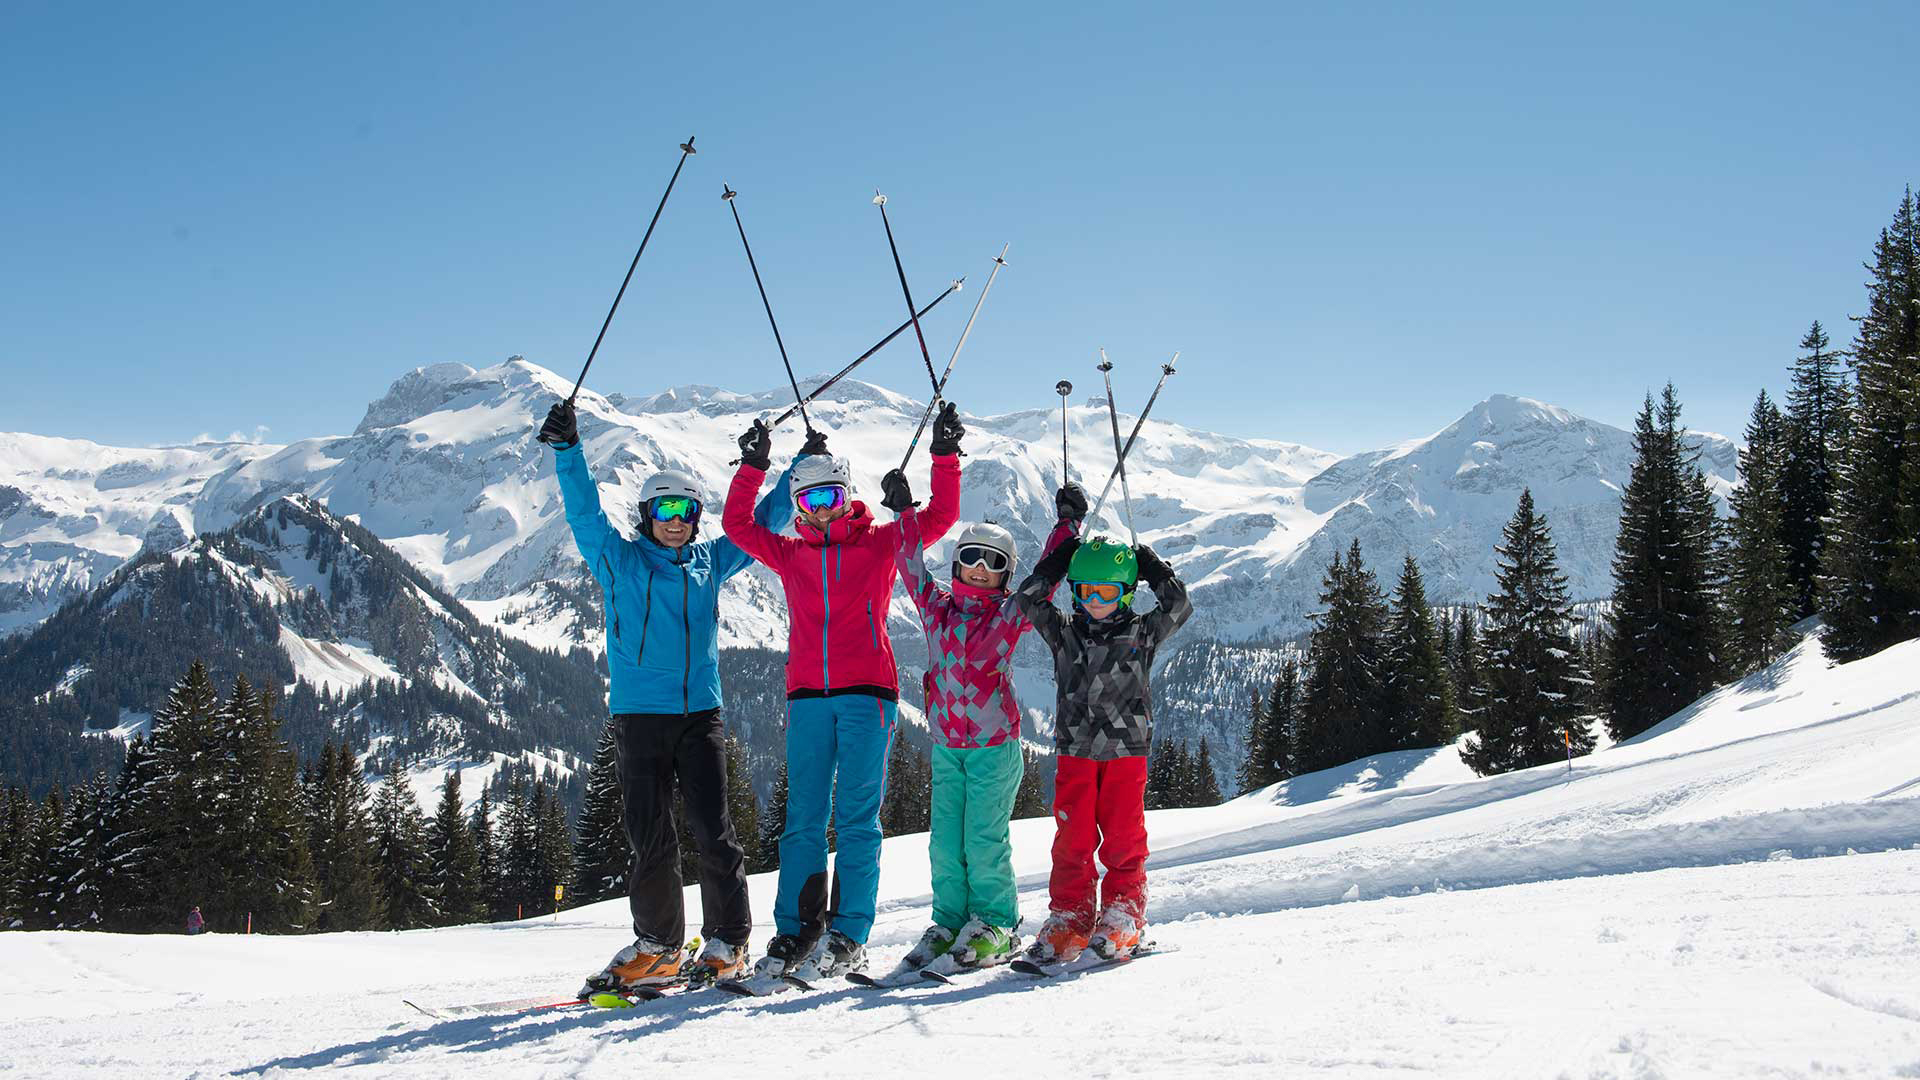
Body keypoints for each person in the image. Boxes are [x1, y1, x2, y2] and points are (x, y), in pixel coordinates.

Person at [537, 398, 801, 996]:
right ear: (647, 515)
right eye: (665, 509)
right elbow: (583, 514)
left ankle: (728, 942)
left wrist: (795, 471)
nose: (676, 519)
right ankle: (659, 944)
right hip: (639, 719)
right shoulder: (619, 561)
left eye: (686, 510)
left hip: (700, 717)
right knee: (650, 836)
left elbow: (763, 522)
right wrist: (568, 449)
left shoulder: (711, 561)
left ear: (697, 517)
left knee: (715, 829)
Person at [721, 404, 964, 983]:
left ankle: (850, 934)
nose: (819, 513)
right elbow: (738, 527)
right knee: (802, 819)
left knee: (857, 819)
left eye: (829, 499)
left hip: (868, 696)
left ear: (847, 496)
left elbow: (944, 515)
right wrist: (754, 468)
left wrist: (944, 456)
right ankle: (796, 930)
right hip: (807, 697)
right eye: (807, 503)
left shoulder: (881, 543)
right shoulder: (790, 553)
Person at [886, 483, 1085, 975]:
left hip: (994, 747)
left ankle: (997, 921)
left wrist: (1067, 527)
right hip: (947, 746)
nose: (980, 568)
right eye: (972, 557)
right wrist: (904, 512)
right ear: (956, 564)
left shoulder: (1008, 614)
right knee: (945, 843)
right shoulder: (937, 611)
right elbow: (910, 566)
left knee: (982, 839)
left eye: (993, 562)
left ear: (1004, 574)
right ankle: (950, 922)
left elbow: (1045, 581)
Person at [1011, 534, 1192, 963]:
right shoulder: (1064, 632)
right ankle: (1070, 917)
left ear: (1127, 593)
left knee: (1123, 835)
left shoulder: (1142, 631)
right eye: (1085, 590)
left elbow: (1179, 606)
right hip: (1075, 749)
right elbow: (1029, 598)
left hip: (1125, 750)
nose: (1094, 600)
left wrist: (1148, 564)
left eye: (1106, 591)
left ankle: (1123, 913)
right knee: (1070, 838)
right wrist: (1061, 557)